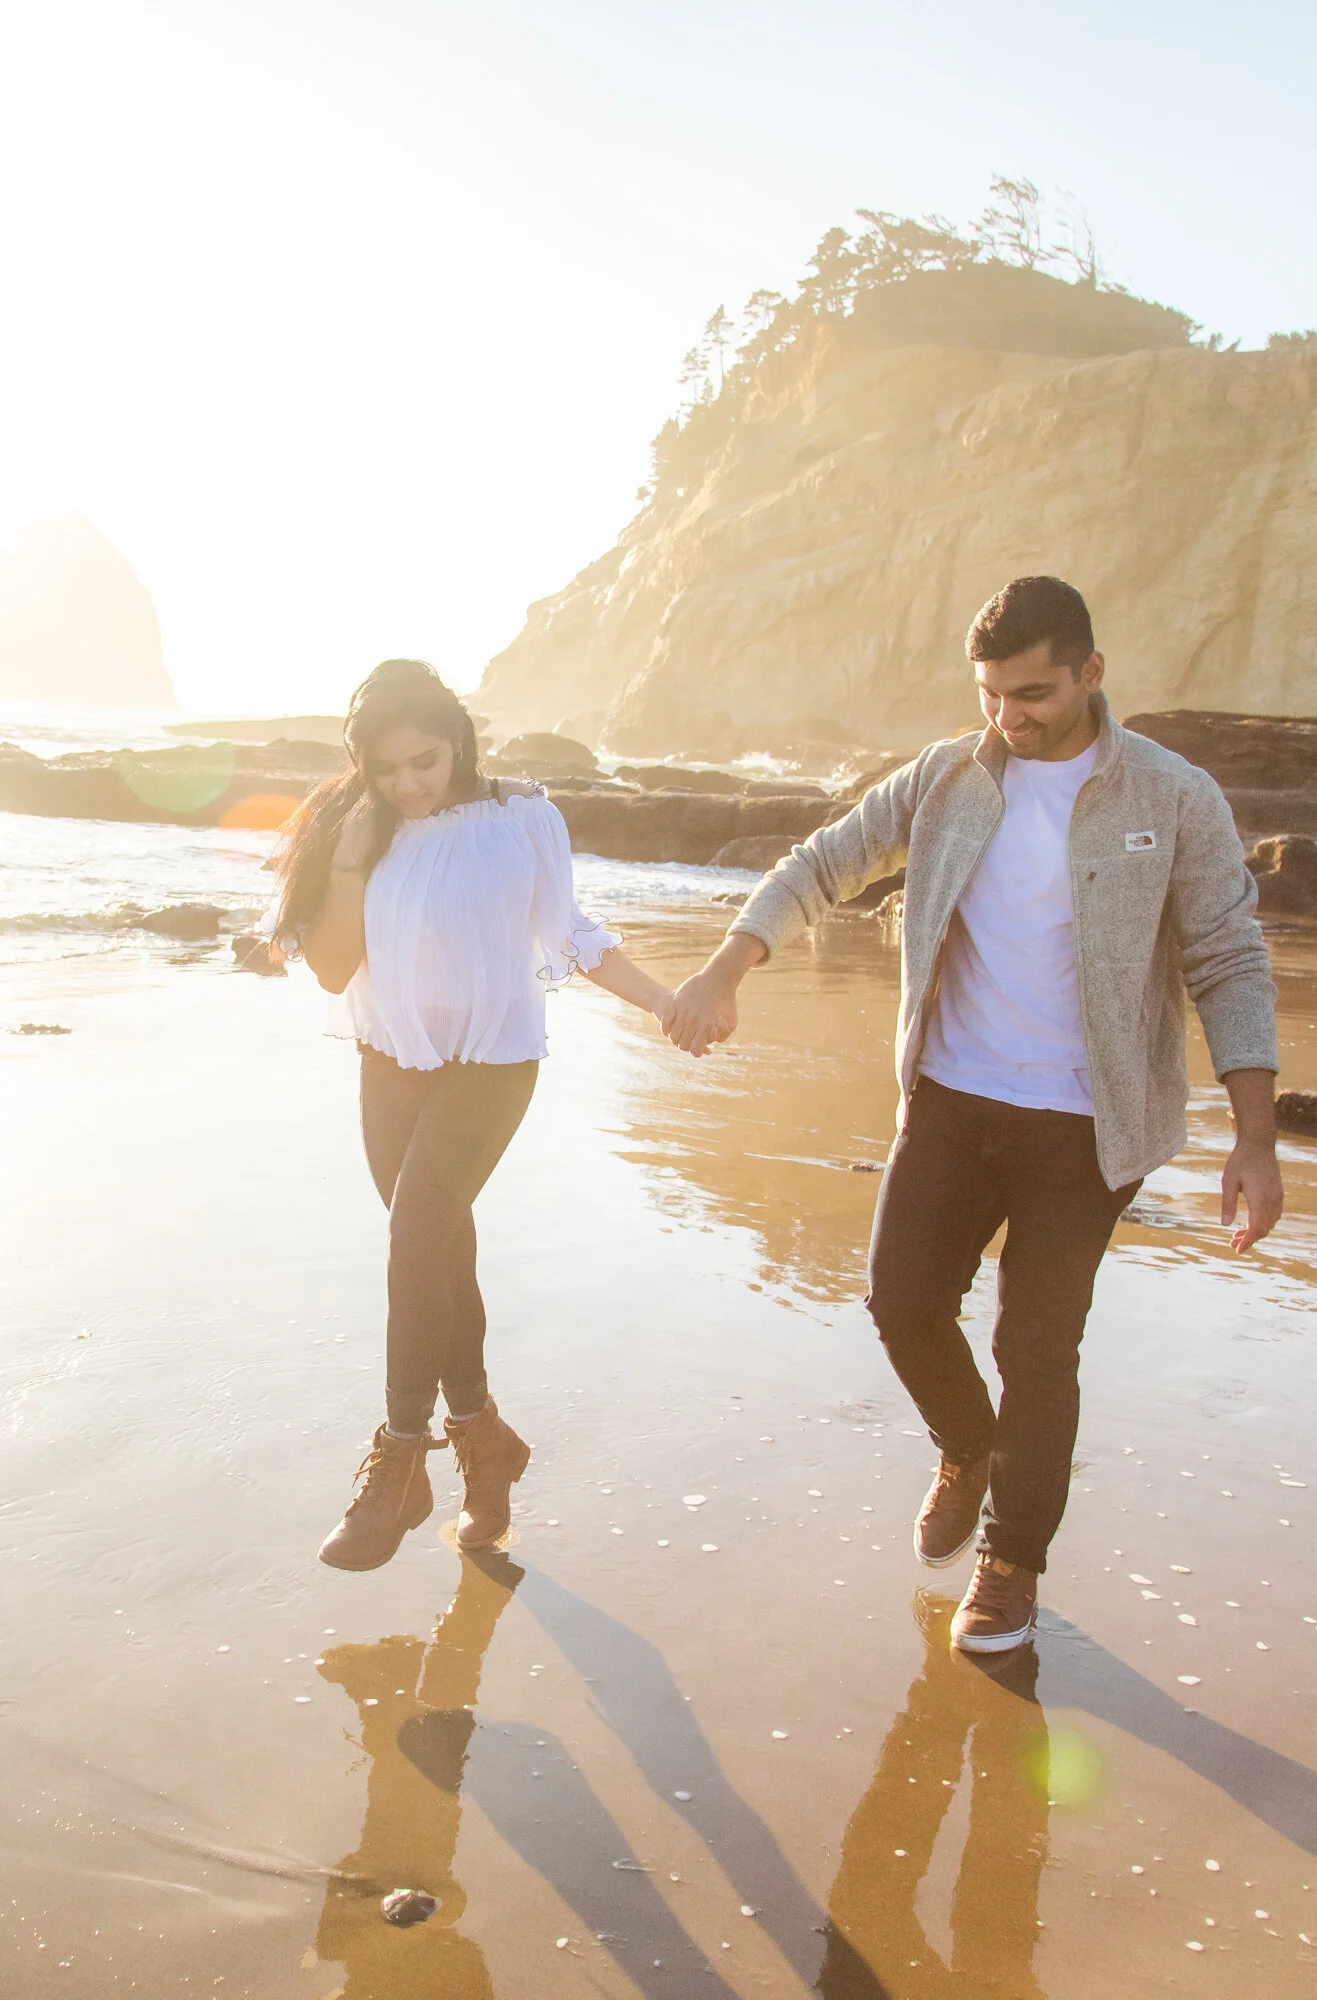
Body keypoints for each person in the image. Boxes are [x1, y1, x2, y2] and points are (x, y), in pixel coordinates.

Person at [661, 576, 1282, 1653]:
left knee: (1037, 1344)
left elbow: (1228, 957)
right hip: (951, 1093)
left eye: (1034, 691)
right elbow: (825, 860)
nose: (1011, 715)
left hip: (1086, 1123)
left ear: (1091, 671)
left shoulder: (1173, 796)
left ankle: (1008, 1564)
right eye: (993, 693)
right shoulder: (947, 776)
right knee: (901, 1300)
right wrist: (728, 962)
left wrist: (1255, 1135)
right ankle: (967, 1441)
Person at [270, 658, 671, 1570]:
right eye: (386, 769)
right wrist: (345, 846)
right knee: (439, 1256)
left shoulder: (524, 816)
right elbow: (333, 969)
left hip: (493, 1061)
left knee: (417, 1235)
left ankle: (400, 1458)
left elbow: (569, 934)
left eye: (425, 760)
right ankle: (486, 1448)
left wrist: (662, 1000)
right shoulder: (358, 829)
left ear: (459, 739)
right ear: (363, 765)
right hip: (391, 1064)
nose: (408, 783)